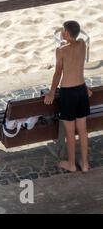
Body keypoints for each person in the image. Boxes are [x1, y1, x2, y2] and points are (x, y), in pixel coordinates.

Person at [44, 21, 92, 173]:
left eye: (63, 31)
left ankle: (71, 164)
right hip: (81, 91)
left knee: (70, 132)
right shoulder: (83, 44)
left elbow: (58, 73)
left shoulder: (60, 50)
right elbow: (75, 50)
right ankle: (85, 164)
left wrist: (52, 92)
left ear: (65, 33)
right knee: (83, 131)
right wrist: (68, 38)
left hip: (68, 93)